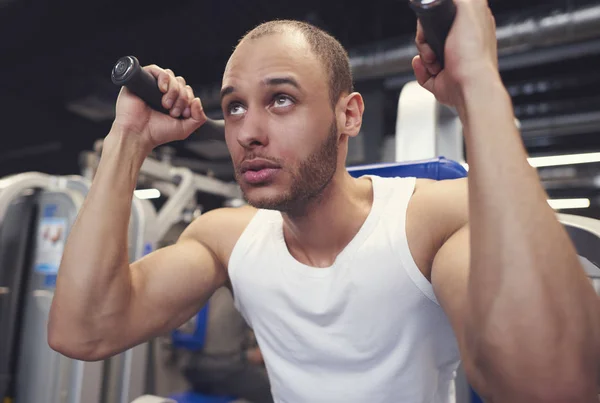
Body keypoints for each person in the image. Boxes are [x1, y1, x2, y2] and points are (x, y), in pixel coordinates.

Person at [49, 0, 600, 402]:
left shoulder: (429, 222)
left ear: (349, 115)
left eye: (280, 99)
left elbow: (550, 383)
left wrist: (478, 83)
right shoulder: (229, 238)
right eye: (235, 106)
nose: (248, 133)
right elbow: (84, 330)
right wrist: (129, 138)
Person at [160, 223, 273, 403]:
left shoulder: (204, 280)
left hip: (189, 366)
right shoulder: (245, 282)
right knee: (273, 393)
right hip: (221, 368)